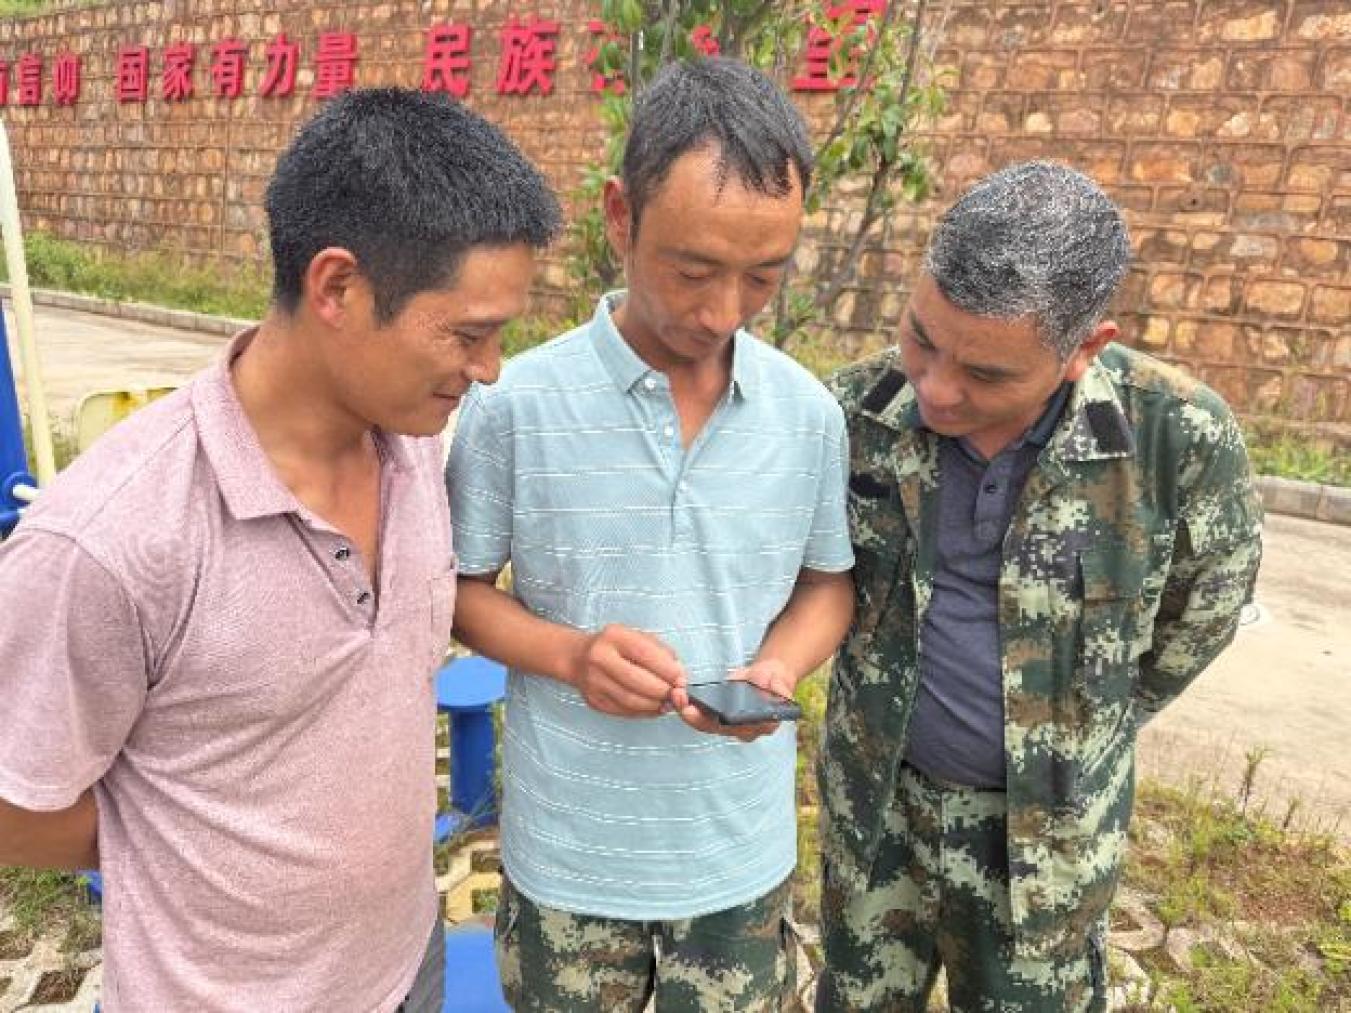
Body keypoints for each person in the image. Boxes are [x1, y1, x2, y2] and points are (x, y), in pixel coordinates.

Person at [0, 88, 560, 1011]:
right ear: (336, 287)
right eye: (468, 334)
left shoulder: (413, 447)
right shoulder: (109, 538)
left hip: (403, 960)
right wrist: (180, 841)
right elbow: (16, 803)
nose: (490, 367)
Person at [446, 57, 855, 1012]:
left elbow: (826, 583)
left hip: (735, 856)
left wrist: (779, 667)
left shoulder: (805, 414)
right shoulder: (516, 404)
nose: (722, 312)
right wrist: (570, 654)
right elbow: (460, 591)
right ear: (619, 217)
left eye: (763, 276)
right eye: (693, 269)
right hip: (569, 859)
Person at [816, 161, 1263, 1012]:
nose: (935, 388)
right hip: (877, 821)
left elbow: (1205, 606)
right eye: (920, 338)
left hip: (1046, 848)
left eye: (985, 375)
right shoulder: (852, 414)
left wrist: (1085, 722)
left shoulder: (1174, 437)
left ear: (1083, 348)